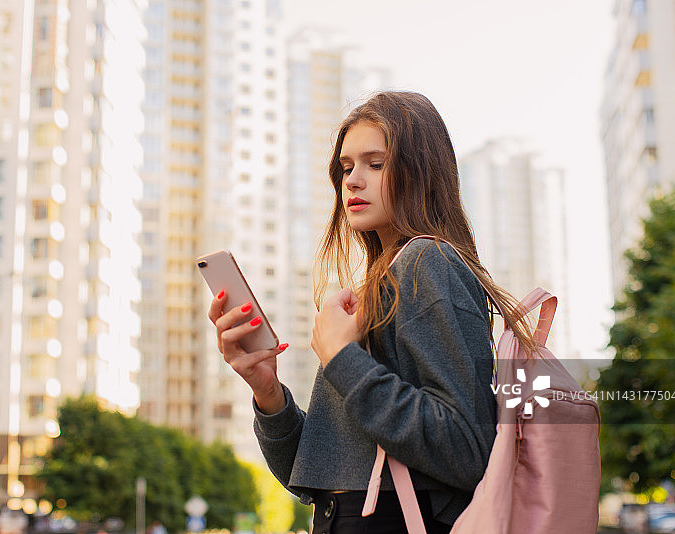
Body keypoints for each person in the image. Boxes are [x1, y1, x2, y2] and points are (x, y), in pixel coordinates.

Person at [207, 91, 537, 533]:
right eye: (346, 168)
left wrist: (343, 359)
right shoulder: (381, 288)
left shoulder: (429, 264)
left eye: (375, 164)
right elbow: (319, 478)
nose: (353, 181)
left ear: (420, 172)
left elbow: (466, 449)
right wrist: (268, 393)